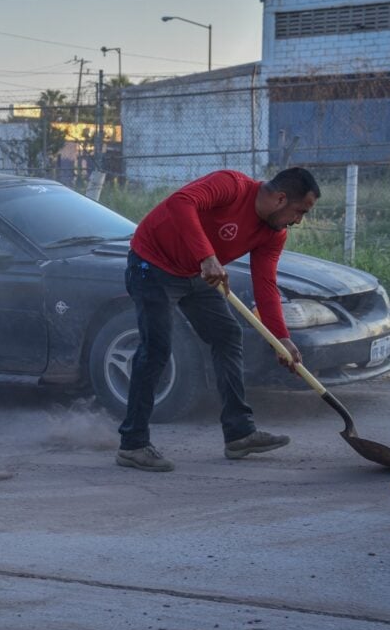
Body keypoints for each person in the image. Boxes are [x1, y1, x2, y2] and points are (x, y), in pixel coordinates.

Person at [116, 167, 320, 472]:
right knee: (157, 349)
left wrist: (281, 339)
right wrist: (207, 257)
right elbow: (180, 203)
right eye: (299, 211)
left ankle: (239, 433)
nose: (298, 221)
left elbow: (265, 285)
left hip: (196, 273)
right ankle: (132, 445)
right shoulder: (232, 185)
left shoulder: (273, 233)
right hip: (152, 265)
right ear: (280, 198)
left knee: (227, 336)